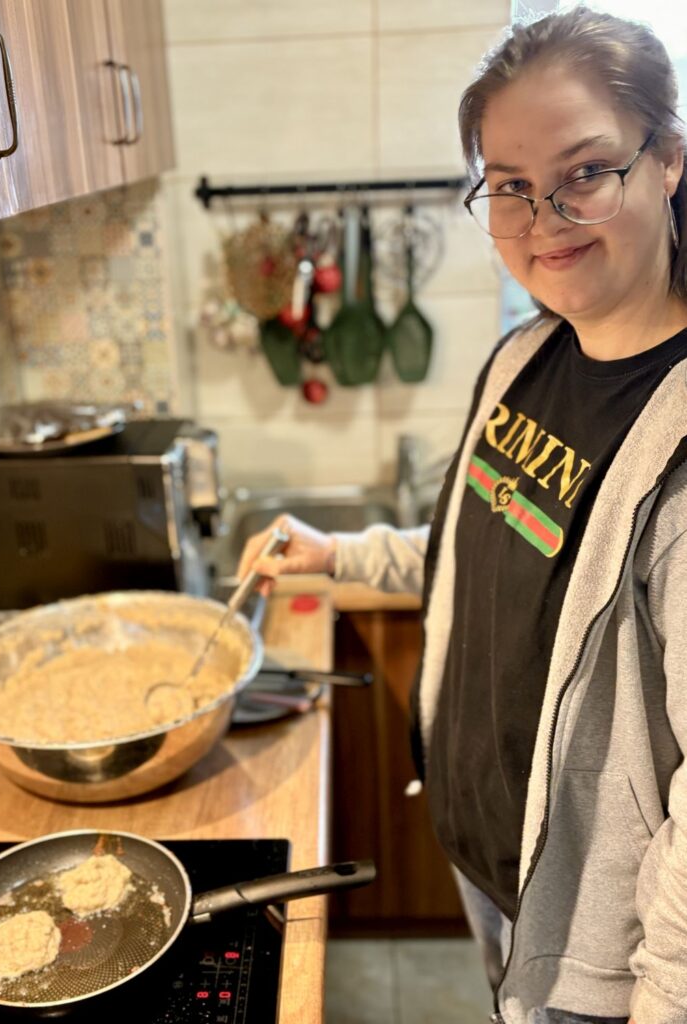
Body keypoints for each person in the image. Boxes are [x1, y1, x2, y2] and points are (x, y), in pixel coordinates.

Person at [237, 7, 687, 1023]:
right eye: (509, 186)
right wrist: (339, 554)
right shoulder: (526, 358)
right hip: (500, 873)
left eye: (584, 172)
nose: (543, 221)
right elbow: (485, 547)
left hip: (612, 958)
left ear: (666, 160)